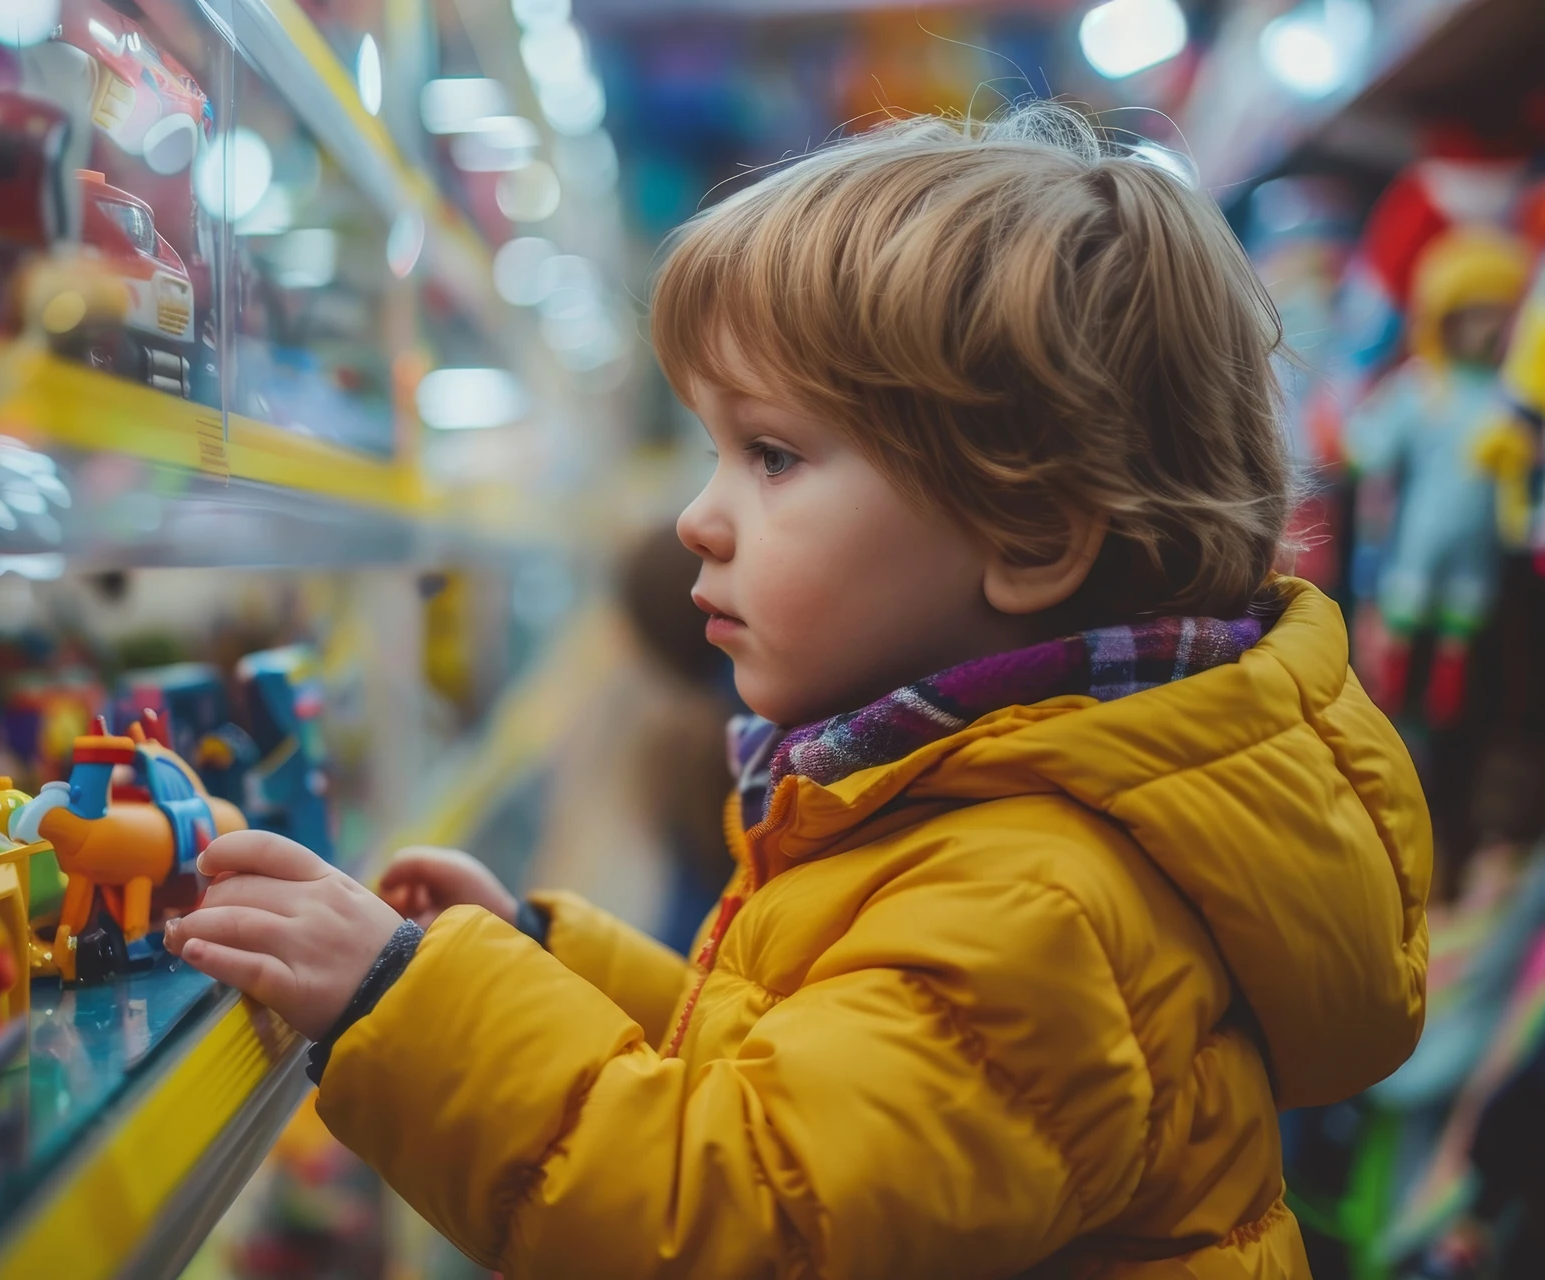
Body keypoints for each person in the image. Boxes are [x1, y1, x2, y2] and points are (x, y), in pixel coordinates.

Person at [165, 104, 1432, 1279]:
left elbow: (741, 1214)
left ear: (1035, 532)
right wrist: (545, 962)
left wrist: (407, 1001)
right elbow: (807, 1070)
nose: (697, 518)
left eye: (772, 454)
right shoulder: (997, 806)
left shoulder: (1039, 905)